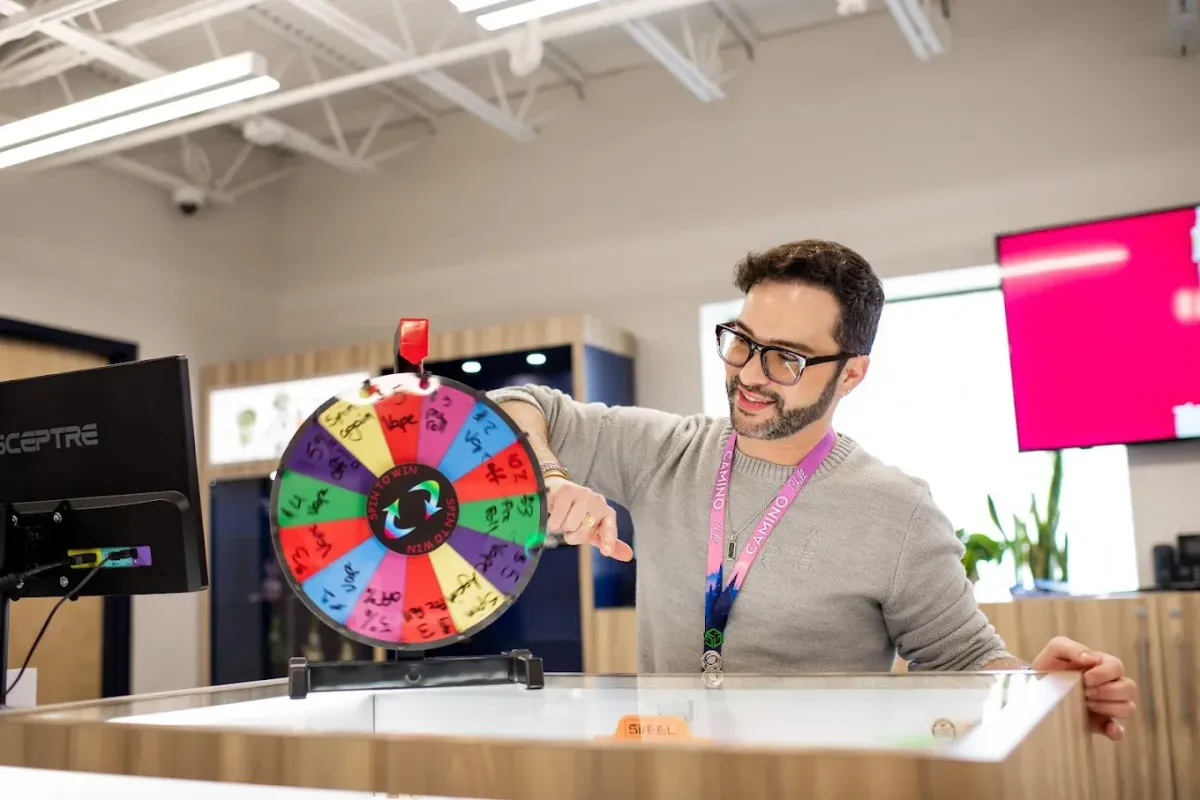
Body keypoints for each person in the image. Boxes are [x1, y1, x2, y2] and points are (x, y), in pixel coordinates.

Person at [488, 239, 1137, 740]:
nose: (748, 374)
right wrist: (548, 478)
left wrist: (1035, 689)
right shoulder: (667, 452)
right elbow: (513, 404)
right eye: (740, 342)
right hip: (669, 778)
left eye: (786, 358)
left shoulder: (897, 509)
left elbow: (962, 661)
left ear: (851, 374)